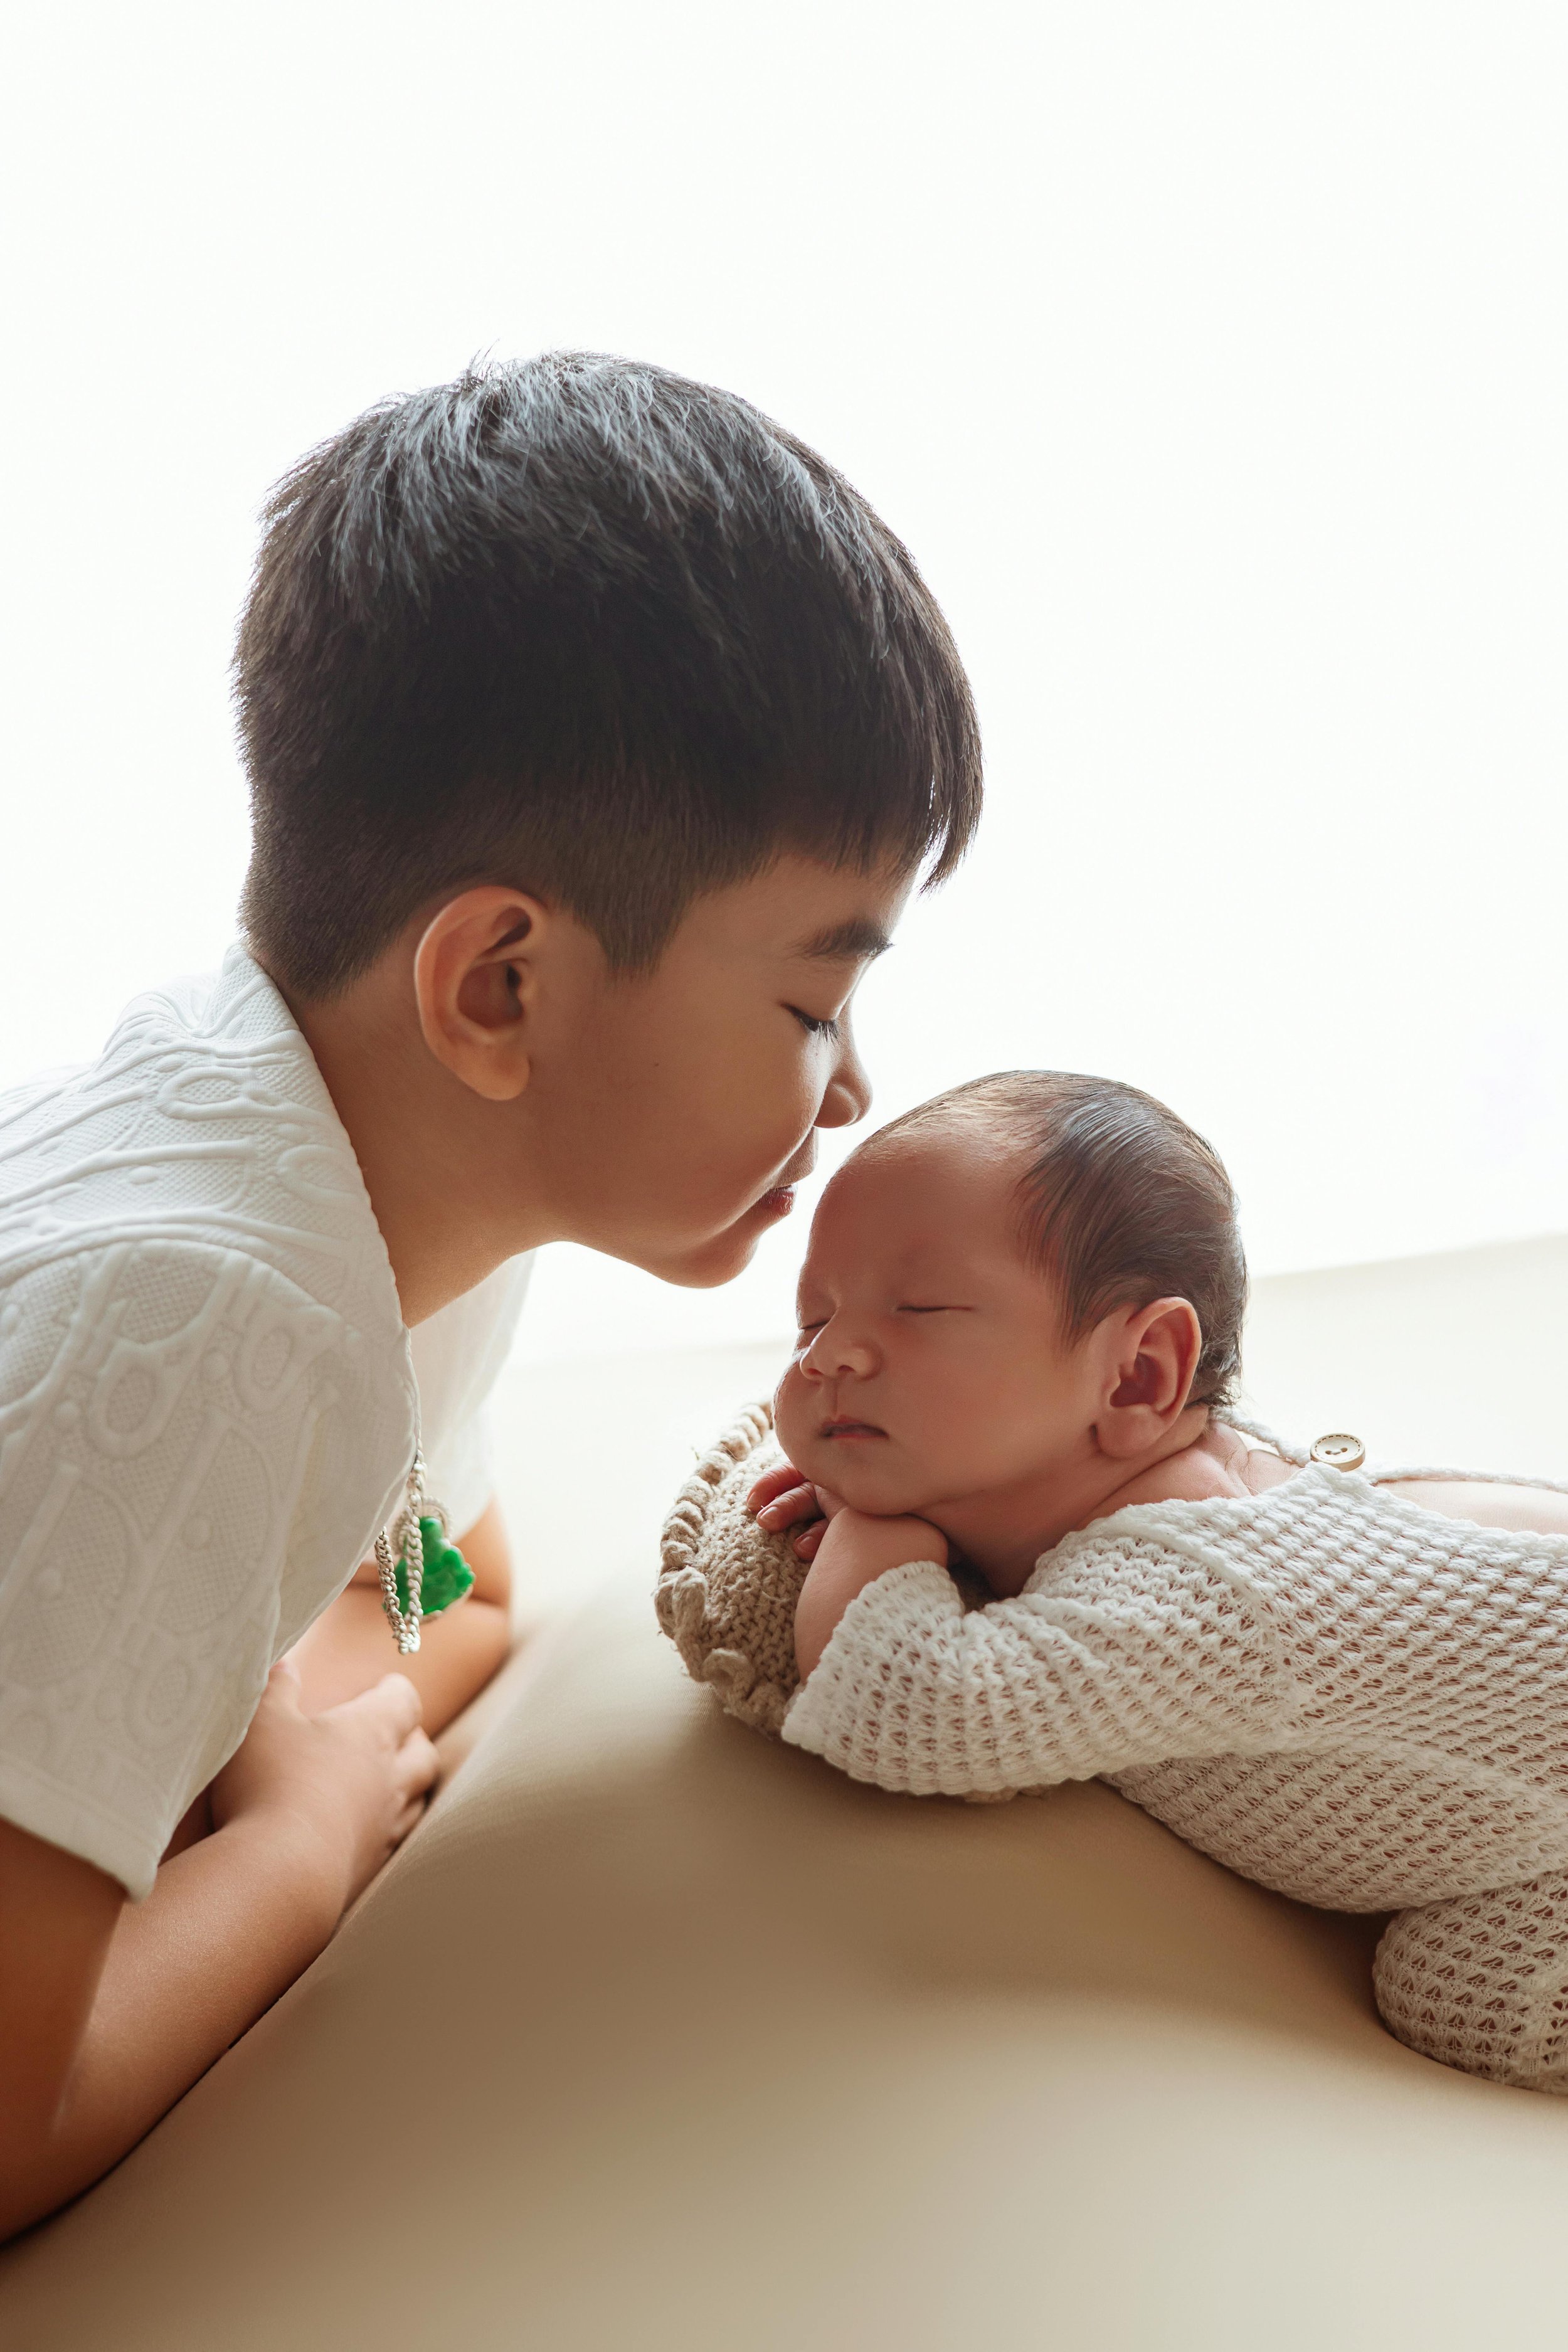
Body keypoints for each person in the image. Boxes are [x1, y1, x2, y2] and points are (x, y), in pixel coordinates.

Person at [0, 352, 982, 2236]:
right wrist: (297, 1838)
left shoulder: (390, 1197)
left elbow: (446, 1576)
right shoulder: (215, 1315)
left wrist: (315, 1704)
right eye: (807, 1002)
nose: (852, 1087)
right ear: (500, 989)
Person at [751, 1071, 1568, 2088]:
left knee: (1465, 1999)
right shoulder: (1153, 1495)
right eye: (810, 1320)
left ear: (1139, 1374)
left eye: (918, 1307)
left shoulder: (1197, 1582)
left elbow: (912, 1701)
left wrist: (871, 1518)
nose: (832, 1355)